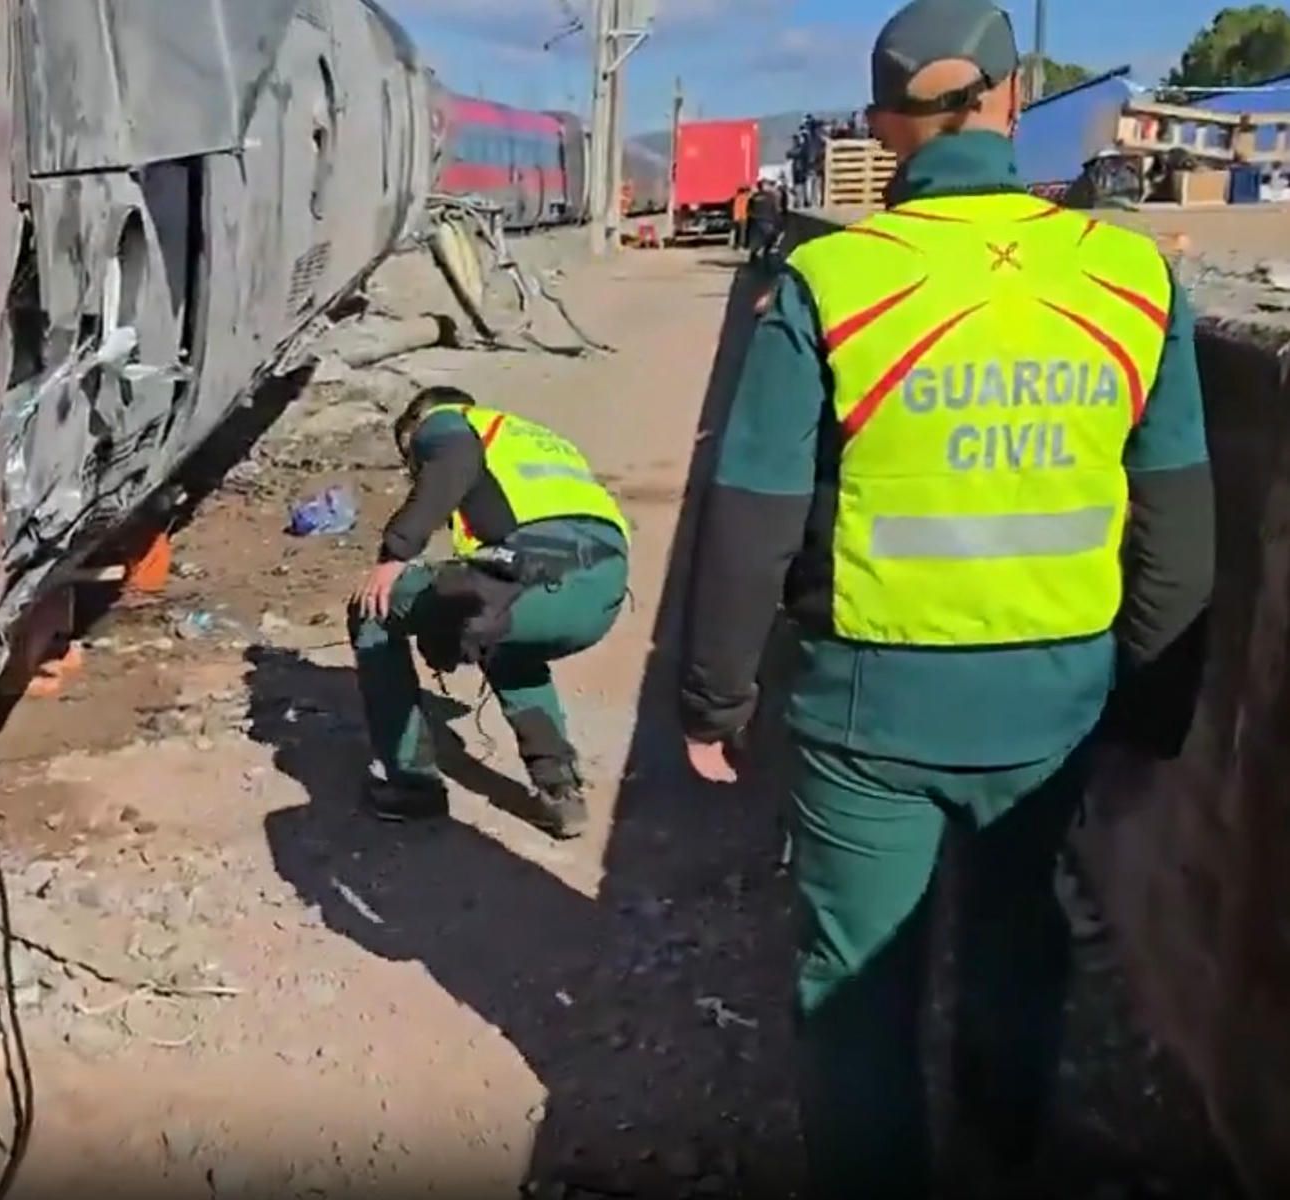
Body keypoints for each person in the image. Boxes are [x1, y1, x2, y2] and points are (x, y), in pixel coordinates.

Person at [674, 2, 1214, 1197]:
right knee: (1020, 943)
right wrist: (1153, 704)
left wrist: (714, 695)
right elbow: (1175, 517)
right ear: (1013, 104)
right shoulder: (1130, 276)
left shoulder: (833, 280)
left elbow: (753, 505)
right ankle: (1002, 1155)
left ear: (882, 125)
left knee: (856, 979)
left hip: (872, 709)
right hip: (1058, 703)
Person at [348, 386, 631, 838]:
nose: (413, 468)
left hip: (538, 572)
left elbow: (452, 464)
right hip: (601, 588)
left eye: (411, 458)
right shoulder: (532, 438)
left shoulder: (445, 422)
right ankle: (560, 787)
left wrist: (393, 555)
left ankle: (411, 784)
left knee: (372, 608)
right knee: (502, 635)